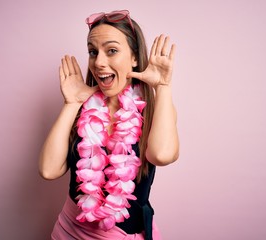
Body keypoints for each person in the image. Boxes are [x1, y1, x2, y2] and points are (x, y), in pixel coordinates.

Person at [39, 9, 179, 240]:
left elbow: (162, 155)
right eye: (93, 52)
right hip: (68, 231)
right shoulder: (82, 107)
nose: (99, 62)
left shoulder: (155, 109)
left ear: (134, 57)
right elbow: (48, 170)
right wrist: (72, 103)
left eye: (111, 51)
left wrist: (163, 87)